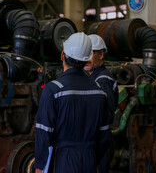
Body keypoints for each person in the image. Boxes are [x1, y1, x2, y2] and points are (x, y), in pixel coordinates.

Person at [35, 32, 110, 173]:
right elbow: (104, 136)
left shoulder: (53, 90)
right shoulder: (100, 92)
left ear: (62, 55)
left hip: (64, 160)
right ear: (87, 60)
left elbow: (44, 133)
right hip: (90, 159)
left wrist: (40, 166)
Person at [85, 34, 119, 173]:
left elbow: (107, 113)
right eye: (85, 53)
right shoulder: (93, 77)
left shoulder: (103, 80)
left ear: (101, 55)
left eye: (91, 53)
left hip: (100, 140)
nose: (87, 58)